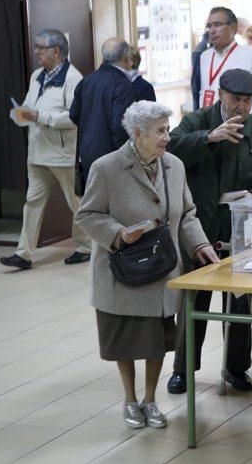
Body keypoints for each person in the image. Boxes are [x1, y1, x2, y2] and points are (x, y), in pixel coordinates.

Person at [75, 100, 218, 430]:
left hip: (162, 270)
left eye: (167, 129)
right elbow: (87, 214)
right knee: (125, 340)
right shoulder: (106, 168)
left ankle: (150, 400)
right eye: (160, 131)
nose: (167, 137)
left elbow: (187, 214)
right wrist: (117, 234)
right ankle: (129, 400)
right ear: (138, 134)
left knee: (158, 341)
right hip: (121, 270)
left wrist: (200, 244)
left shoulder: (175, 166)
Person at [166, 69, 252, 394]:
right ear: (221, 94)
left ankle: (236, 369)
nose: (242, 108)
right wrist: (209, 138)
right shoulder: (196, 121)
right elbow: (169, 151)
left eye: (248, 101)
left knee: (238, 305)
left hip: (240, 232)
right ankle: (183, 369)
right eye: (236, 99)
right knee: (193, 302)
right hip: (200, 231)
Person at [0, 30, 91, 271]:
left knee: (76, 202)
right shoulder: (37, 76)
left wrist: (42, 116)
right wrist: (21, 115)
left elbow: (74, 117)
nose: (36, 52)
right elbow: (31, 107)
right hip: (37, 152)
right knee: (32, 201)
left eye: (41, 47)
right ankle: (23, 253)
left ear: (57, 51)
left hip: (62, 154)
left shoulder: (73, 78)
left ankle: (86, 247)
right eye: (36, 47)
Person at [69, 37, 136, 195]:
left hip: (86, 155)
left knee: (93, 208)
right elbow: (121, 127)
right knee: (114, 209)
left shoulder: (87, 81)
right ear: (126, 57)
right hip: (111, 158)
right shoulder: (123, 85)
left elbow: (73, 115)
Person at [196, 7, 252, 109]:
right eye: (209, 26)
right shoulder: (205, 56)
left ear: (232, 28)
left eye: (217, 25)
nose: (212, 31)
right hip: (208, 120)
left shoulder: (250, 55)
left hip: (238, 120)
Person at [190, 31, 211, 112]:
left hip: (196, 82)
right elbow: (199, 73)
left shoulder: (200, 46)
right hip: (198, 82)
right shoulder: (203, 49)